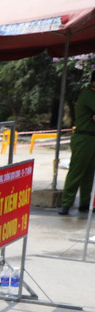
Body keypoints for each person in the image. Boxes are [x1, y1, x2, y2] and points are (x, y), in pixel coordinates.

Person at [59, 70, 95, 216]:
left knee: (89, 173)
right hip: (84, 137)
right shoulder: (89, 94)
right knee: (77, 170)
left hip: (92, 138)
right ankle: (66, 203)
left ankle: (84, 203)